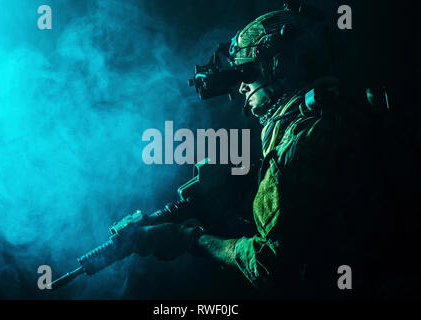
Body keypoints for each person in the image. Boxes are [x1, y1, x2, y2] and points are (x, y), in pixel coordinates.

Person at [130, 6, 403, 299]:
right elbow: (310, 229)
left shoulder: (300, 140)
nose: (242, 88)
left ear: (278, 66)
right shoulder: (340, 112)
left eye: (248, 71)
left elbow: (270, 265)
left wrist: (191, 239)